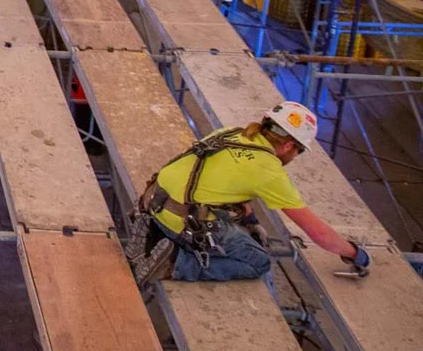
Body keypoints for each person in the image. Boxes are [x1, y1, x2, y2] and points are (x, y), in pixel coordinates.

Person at [136, 100, 370, 283]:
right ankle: (175, 262)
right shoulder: (269, 170)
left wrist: (250, 219)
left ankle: (155, 233)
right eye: (299, 151)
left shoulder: (233, 133)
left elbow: (226, 183)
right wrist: (354, 253)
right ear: (288, 145)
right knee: (258, 262)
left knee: (226, 218)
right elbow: (319, 234)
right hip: (181, 222)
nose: (296, 156)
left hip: (154, 200)